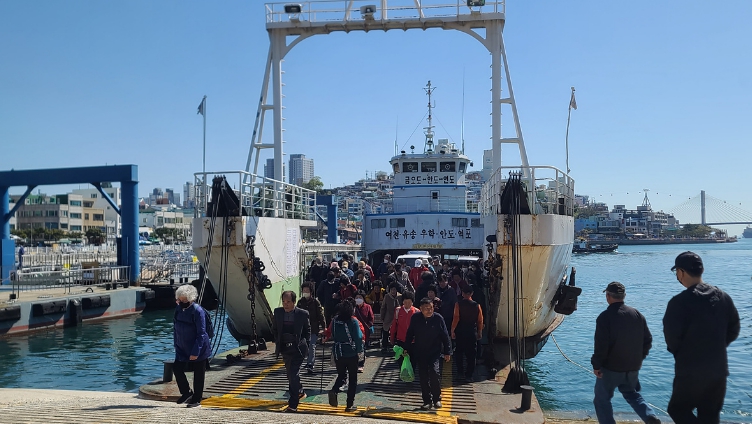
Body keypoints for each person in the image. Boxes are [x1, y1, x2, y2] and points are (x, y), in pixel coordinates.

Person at [664, 251, 740, 424]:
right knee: (710, 416)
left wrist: (684, 353)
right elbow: (734, 329)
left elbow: (672, 339)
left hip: (690, 370)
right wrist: (716, 345)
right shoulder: (723, 297)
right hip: (718, 369)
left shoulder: (678, 302)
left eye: (676, 272)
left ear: (681, 272)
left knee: (678, 409)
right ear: (702, 270)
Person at [591, 282, 659, 424]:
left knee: (601, 400)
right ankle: (649, 416)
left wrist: (596, 365)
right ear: (624, 296)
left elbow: (601, 346)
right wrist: (639, 358)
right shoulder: (637, 314)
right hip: (632, 367)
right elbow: (647, 339)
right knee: (631, 394)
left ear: (608, 296)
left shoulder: (605, 317)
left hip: (610, 369)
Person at [404, 298, 452, 410]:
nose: (429, 310)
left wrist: (447, 352)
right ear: (420, 309)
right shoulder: (415, 318)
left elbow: (445, 336)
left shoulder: (438, 318)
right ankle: (427, 401)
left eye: (431, 308)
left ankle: (437, 399)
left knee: (434, 373)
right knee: (423, 377)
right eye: (426, 308)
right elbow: (410, 333)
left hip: (434, 352)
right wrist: (406, 347)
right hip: (420, 352)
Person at [172, 284, 212, 408]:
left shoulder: (198, 311)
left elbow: (201, 333)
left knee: (198, 373)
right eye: (179, 300)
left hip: (199, 347)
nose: (181, 303)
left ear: (191, 299)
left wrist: (195, 352)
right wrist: (176, 344)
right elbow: (175, 328)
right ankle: (186, 392)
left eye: (184, 301)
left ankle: (196, 399)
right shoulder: (178, 309)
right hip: (182, 346)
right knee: (177, 368)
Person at [273, 291, 311, 413]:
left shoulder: (302, 314)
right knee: (290, 375)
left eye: (288, 302)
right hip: (285, 348)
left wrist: (306, 344)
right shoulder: (278, 312)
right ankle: (300, 391)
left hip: (298, 349)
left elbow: (307, 331)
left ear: (294, 302)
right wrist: (278, 341)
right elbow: (275, 329)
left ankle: (293, 404)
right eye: (284, 302)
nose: (286, 304)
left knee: (293, 374)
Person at [326, 301, 364, 412]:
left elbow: (331, 333)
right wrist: (359, 350)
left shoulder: (335, 321)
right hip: (351, 353)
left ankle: (334, 390)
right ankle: (349, 405)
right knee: (353, 379)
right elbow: (358, 337)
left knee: (341, 375)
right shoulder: (353, 321)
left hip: (338, 352)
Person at [451, 285, 483, 381]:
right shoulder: (477, 305)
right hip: (471, 332)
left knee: (459, 353)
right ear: (472, 293)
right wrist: (479, 331)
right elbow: (480, 320)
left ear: (462, 293)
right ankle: (469, 375)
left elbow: (456, 318)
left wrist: (452, 330)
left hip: (460, 331)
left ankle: (460, 373)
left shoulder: (458, 304)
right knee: (471, 354)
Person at [297, 282, 325, 374]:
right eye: (304, 290)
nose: (305, 292)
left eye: (307, 290)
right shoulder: (300, 302)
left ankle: (310, 364)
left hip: (313, 328)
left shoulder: (315, 302)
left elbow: (320, 315)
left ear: (311, 291)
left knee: (312, 345)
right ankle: (304, 362)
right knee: (304, 346)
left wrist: (324, 327)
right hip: (303, 329)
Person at [353, 291, 374, 372]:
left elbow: (371, 318)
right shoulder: (352, 307)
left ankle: (360, 364)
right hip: (354, 331)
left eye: (360, 297)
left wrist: (368, 326)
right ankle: (354, 362)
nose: (358, 299)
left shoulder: (367, 307)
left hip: (364, 332)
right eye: (357, 297)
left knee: (362, 348)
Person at [380, 281, 401, 353]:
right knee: (385, 332)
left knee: (397, 332)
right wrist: (382, 317)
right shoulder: (387, 296)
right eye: (391, 289)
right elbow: (383, 308)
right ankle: (384, 346)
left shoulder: (400, 296)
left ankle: (396, 346)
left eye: (394, 289)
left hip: (398, 317)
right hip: (388, 317)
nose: (393, 291)